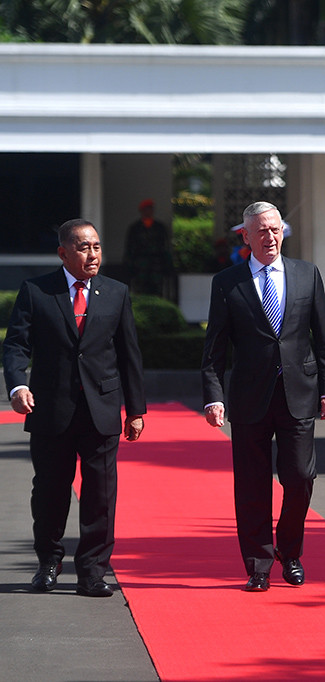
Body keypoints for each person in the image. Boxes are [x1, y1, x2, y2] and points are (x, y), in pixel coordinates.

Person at [3, 218, 146, 598]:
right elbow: (16, 345)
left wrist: (136, 410)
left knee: (100, 495)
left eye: (97, 246)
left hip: (101, 409)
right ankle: (48, 562)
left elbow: (128, 353)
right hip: (51, 410)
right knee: (50, 492)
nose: (93, 254)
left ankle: (92, 572)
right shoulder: (36, 291)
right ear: (63, 253)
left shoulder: (116, 293)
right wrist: (18, 385)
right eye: (83, 247)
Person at [200, 201, 325, 592]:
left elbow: (324, 338)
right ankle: (258, 562)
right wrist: (213, 396)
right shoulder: (228, 282)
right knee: (252, 485)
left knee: (299, 477)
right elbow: (215, 348)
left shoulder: (306, 274)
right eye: (261, 230)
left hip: (299, 393)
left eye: (276, 229)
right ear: (245, 236)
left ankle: (290, 551)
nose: (270, 237)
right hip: (249, 398)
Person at [124, 198, 174, 296]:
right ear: (141, 211)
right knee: (140, 290)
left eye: (150, 208)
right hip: (140, 265)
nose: (148, 211)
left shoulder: (160, 227)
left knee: (157, 290)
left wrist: (167, 265)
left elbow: (165, 246)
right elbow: (130, 247)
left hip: (156, 265)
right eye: (146, 209)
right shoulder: (135, 228)